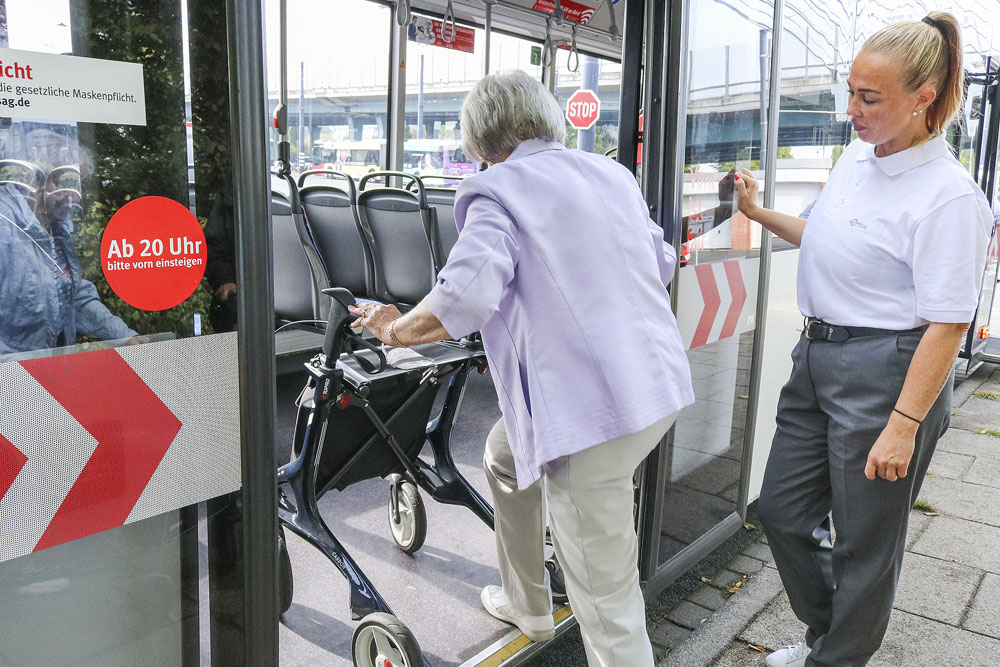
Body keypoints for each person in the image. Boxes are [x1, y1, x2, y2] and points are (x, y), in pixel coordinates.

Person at [350, 69, 694, 666]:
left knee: (606, 597)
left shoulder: (497, 189)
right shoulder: (610, 173)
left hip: (592, 415)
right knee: (505, 456)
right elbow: (660, 261)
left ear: (480, 143)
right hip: (654, 388)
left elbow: (465, 297)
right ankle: (527, 602)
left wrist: (393, 328)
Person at [734, 13, 992, 667]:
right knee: (782, 511)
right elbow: (831, 238)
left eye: (869, 98)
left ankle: (835, 657)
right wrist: (759, 213)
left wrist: (903, 423)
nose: (851, 109)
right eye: (850, 91)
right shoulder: (857, 157)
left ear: (922, 99)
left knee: (865, 542)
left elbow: (949, 320)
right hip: (817, 356)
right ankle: (835, 636)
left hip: (889, 371)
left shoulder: (949, 197)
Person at [0, 180, 137, 357]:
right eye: (63, 185)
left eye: (76, 185)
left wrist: (123, 336)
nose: (74, 197)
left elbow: (71, 295)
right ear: (37, 184)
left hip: (54, 370)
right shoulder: (6, 230)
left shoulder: (54, 232)